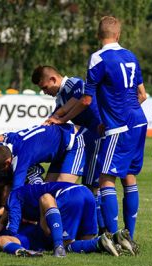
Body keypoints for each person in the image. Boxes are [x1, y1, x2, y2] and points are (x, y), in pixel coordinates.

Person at [48, 16, 147, 248]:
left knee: (105, 179)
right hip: (139, 123)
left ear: (98, 35)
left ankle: (114, 238)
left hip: (119, 127)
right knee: (129, 177)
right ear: (119, 35)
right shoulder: (130, 56)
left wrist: (60, 118)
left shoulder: (98, 58)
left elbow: (85, 100)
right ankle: (129, 236)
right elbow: (142, 95)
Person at [31, 66, 106, 232]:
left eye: (44, 87)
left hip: (97, 136)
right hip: (86, 140)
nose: (44, 92)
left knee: (93, 187)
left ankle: (102, 230)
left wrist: (62, 117)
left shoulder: (73, 83)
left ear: (53, 80)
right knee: (83, 187)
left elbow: (83, 101)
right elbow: (54, 118)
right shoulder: (61, 97)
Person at [0, 181, 124, 257]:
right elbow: (7, 211)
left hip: (70, 196)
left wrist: (2, 229)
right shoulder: (29, 191)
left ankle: (58, 246)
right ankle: (113, 240)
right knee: (83, 242)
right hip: (85, 191)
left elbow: (12, 228)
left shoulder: (14, 195)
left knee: (46, 200)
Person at [0, 124, 86, 191]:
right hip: (60, 150)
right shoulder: (13, 142)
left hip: (74, 142)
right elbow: (5, 136)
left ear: (7, 162)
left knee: (61, 191)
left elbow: (17, 191)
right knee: (47, 192)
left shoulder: (21, 157)